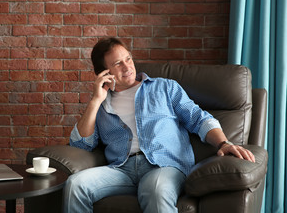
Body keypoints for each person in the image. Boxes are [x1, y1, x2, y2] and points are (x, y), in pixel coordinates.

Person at [63, 37, 255, 213]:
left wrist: (223, 143)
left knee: (154, 189)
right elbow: (81, 145)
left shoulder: (164, 87)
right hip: (121, 170)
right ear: (104, 73)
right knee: (75, 185)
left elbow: (199, 118)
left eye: (128, 59)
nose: (127, 66)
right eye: (117, 63)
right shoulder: (102, 105)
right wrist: (96, 100)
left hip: (164, 166)